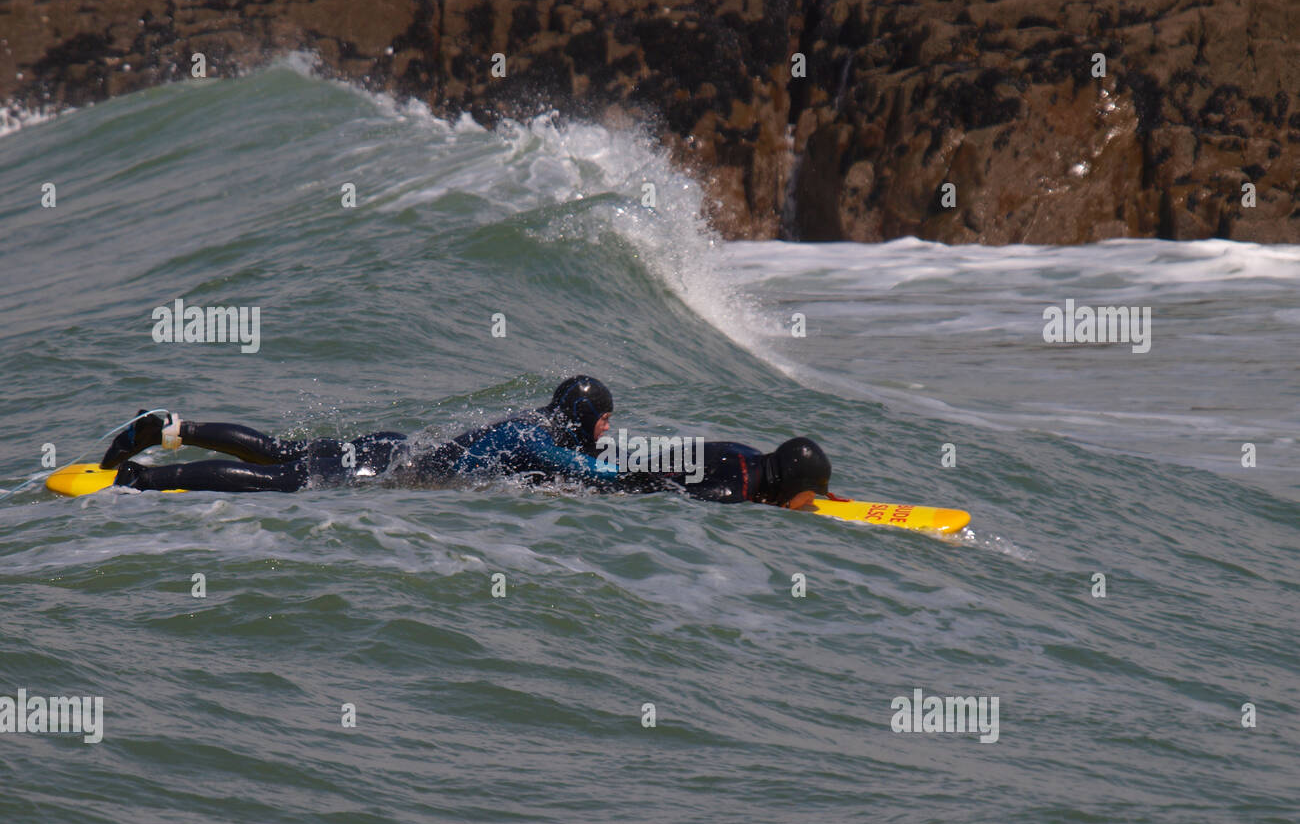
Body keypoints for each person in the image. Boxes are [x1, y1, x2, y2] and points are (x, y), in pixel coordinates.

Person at [103, 376, 647, 493]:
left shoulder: (531, 424)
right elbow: (587, 472)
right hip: (383, 466)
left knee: (280, 450)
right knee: (276, 479)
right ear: (579, 415)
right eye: (603, 418)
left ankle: (176, 428)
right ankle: (140, 479)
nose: (606, 427)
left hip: (391, 446)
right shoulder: (538, 441)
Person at [661, 437, 832, 509]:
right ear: (790, 486)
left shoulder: (753, 455)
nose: (811, 501)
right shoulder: (731, 492)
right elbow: (663, 498)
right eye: (809, 494)